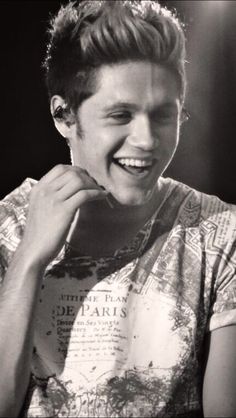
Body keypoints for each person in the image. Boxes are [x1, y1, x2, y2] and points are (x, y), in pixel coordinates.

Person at [0, 0, 236, 416]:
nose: (146, 140)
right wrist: (28, 260)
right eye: (120, 114)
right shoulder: (8, 227)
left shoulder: (220, 234)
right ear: (63, 115)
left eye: (164, 115)